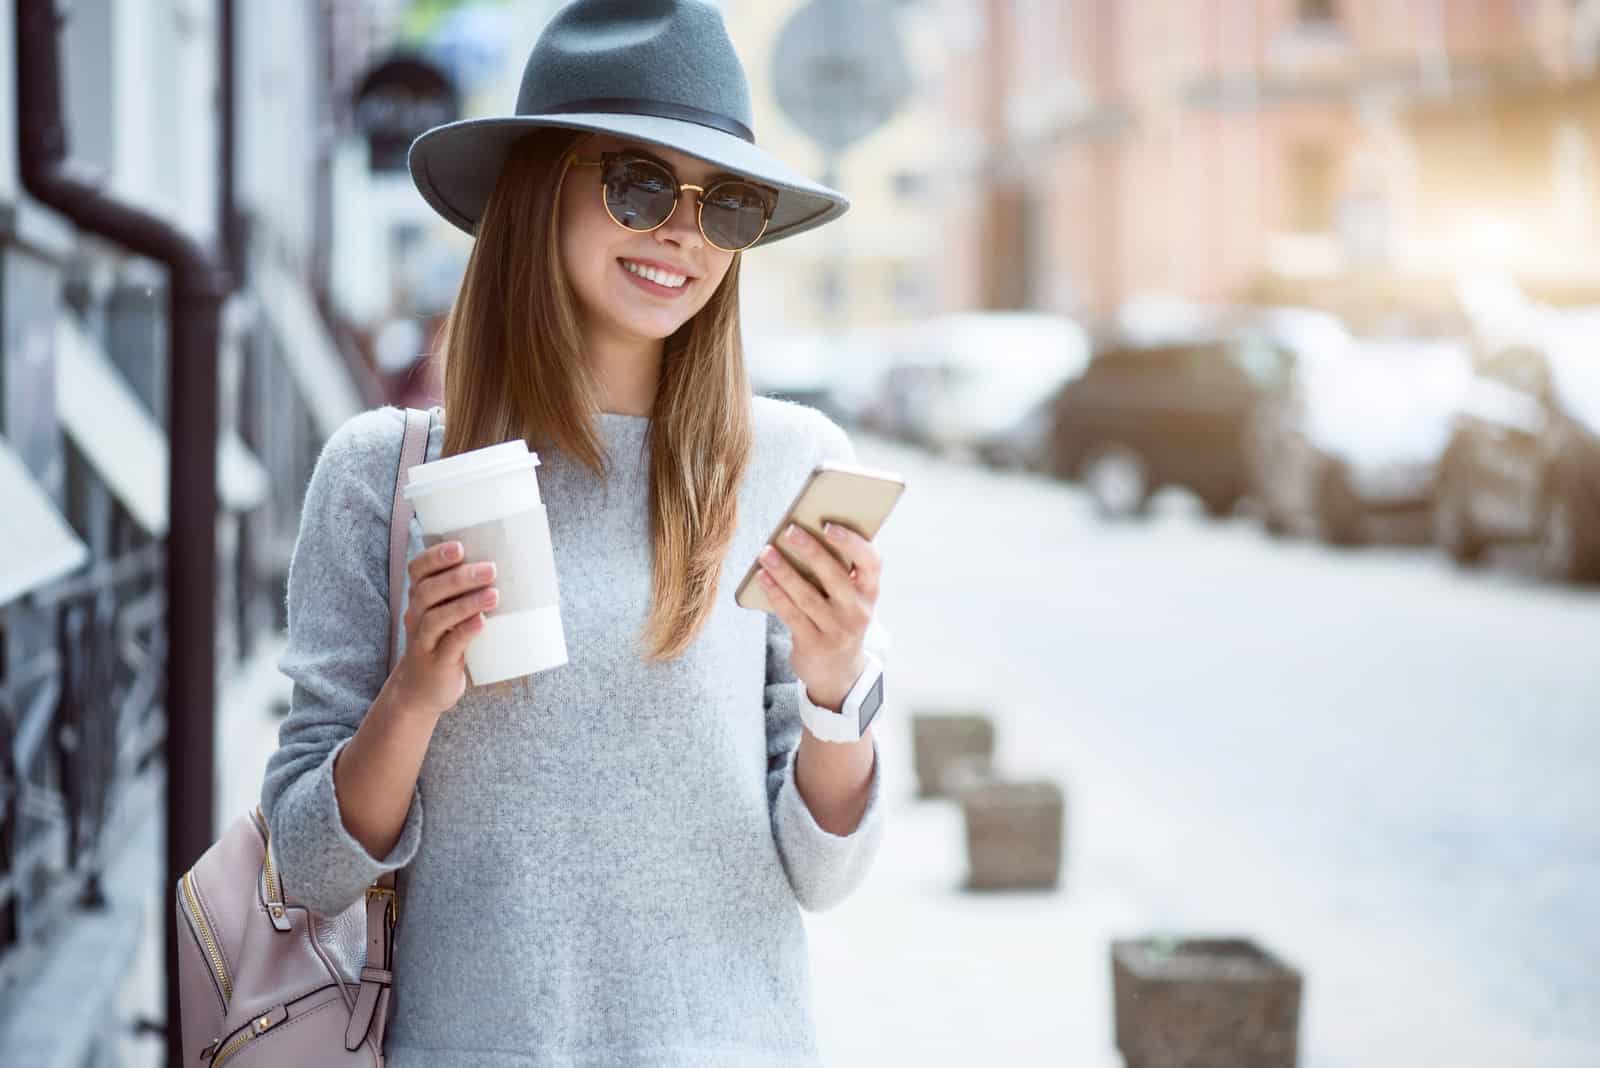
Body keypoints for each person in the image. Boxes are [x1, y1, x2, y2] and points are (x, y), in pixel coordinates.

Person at [259, 2, 890, 1065]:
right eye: (638, 183)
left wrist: (838, 686)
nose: (683, 233)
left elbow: (825, 876)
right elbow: (309, 866)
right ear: (537, 192)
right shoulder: (385, 473)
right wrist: (416, 692)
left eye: (725, 204)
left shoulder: (788, 463)